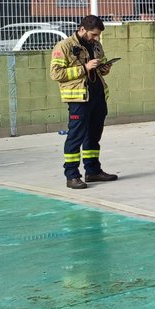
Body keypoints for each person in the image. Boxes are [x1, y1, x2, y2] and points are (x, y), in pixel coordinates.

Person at [50, 15, 118, 189]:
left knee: (94, 136)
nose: (95, 38)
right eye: (93, 35)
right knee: (76, 136)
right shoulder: (64, 46)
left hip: (97, 95)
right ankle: (72, 175)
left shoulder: (96, 45)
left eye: (97, 36)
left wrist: (104, 68)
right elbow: (56, 74)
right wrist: (84, 68)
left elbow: (99, 69)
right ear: (82, 29)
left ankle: (93, 170)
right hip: (79, 99)